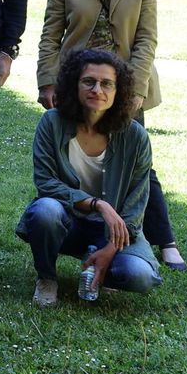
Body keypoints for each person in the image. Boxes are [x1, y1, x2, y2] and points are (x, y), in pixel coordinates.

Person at [36, 0, 185, 270]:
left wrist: (135, 88)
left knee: (138, 165)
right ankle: (67, 231)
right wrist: (47, 81)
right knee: (68, 157)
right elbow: (50, 38)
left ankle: (165, 240)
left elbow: (147, 38)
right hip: (77, 86)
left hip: (124, 87)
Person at [17, 48, 162, 305]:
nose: (98, 89)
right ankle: (47, 278)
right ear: (75, 85)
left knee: (140, 276)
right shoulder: (52, 123)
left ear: (119, 91)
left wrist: (111, 248)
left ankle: (103, 267)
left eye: (107, 84)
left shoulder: (135, 136)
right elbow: (46, 182)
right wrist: (97, 203)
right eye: (89, 82)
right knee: (45, 211)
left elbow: (137, 202)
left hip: (115, 230)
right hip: (68, 222)